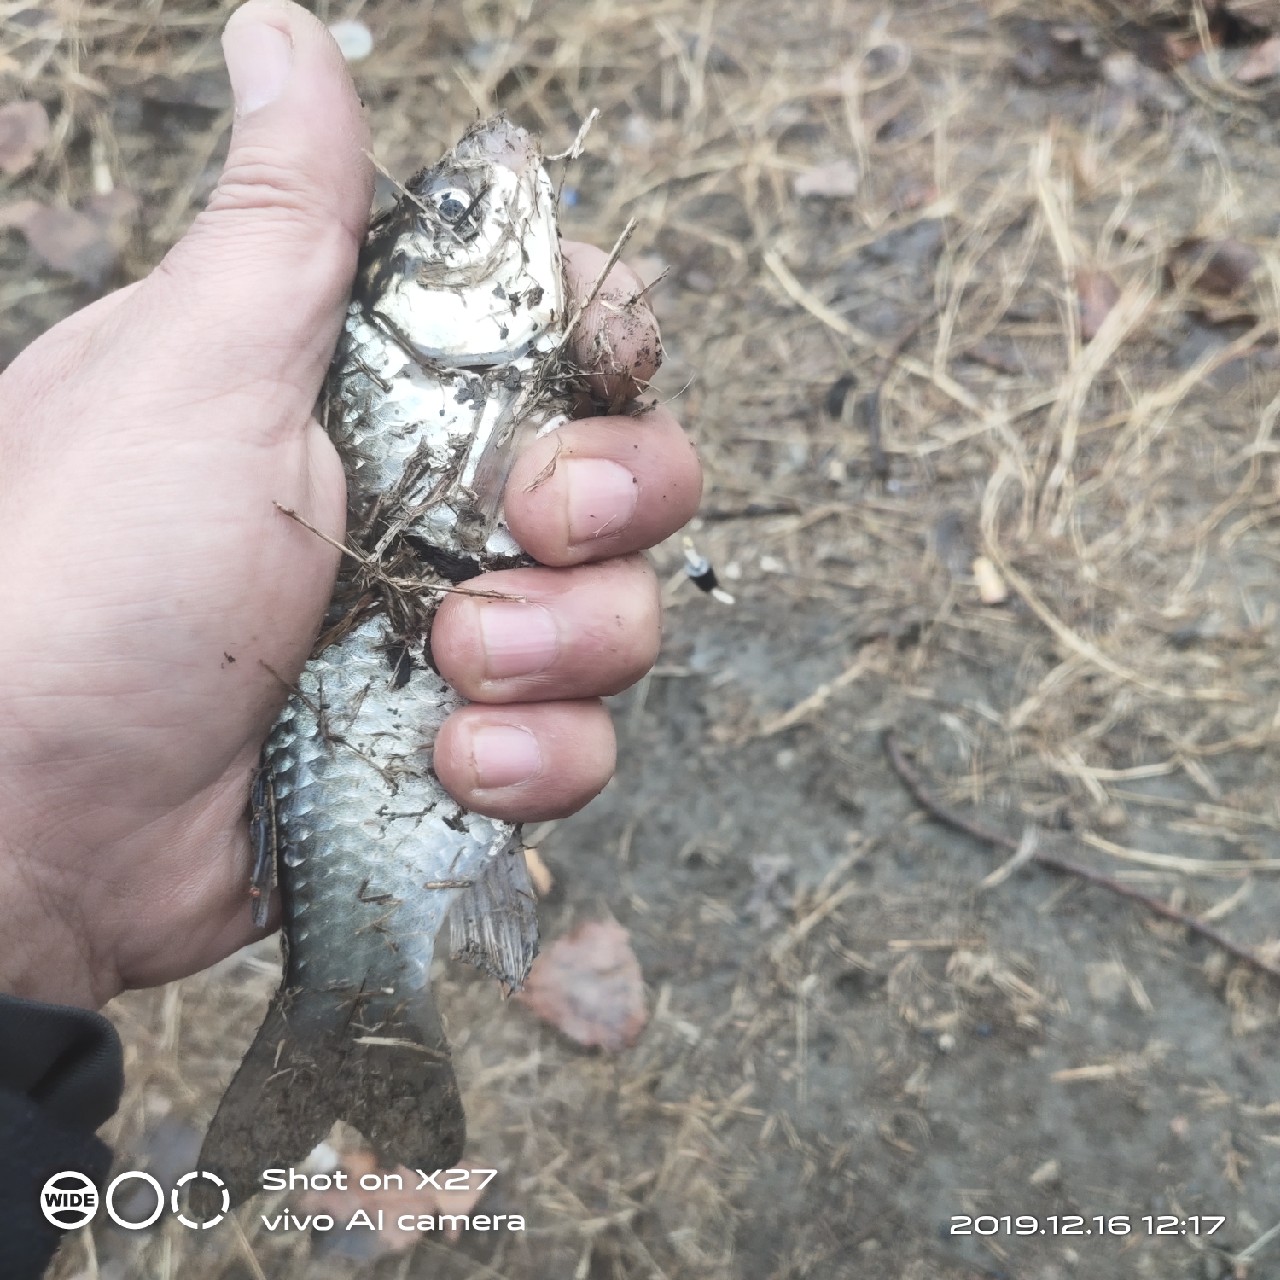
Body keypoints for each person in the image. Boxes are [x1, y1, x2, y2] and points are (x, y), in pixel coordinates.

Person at [0, 1, 702, 1273]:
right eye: (449, 225)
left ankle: (342, 1010)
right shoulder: (372, 363)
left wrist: (28, 842)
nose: (492, 193)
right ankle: (349, 1006)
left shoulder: (430, 359)